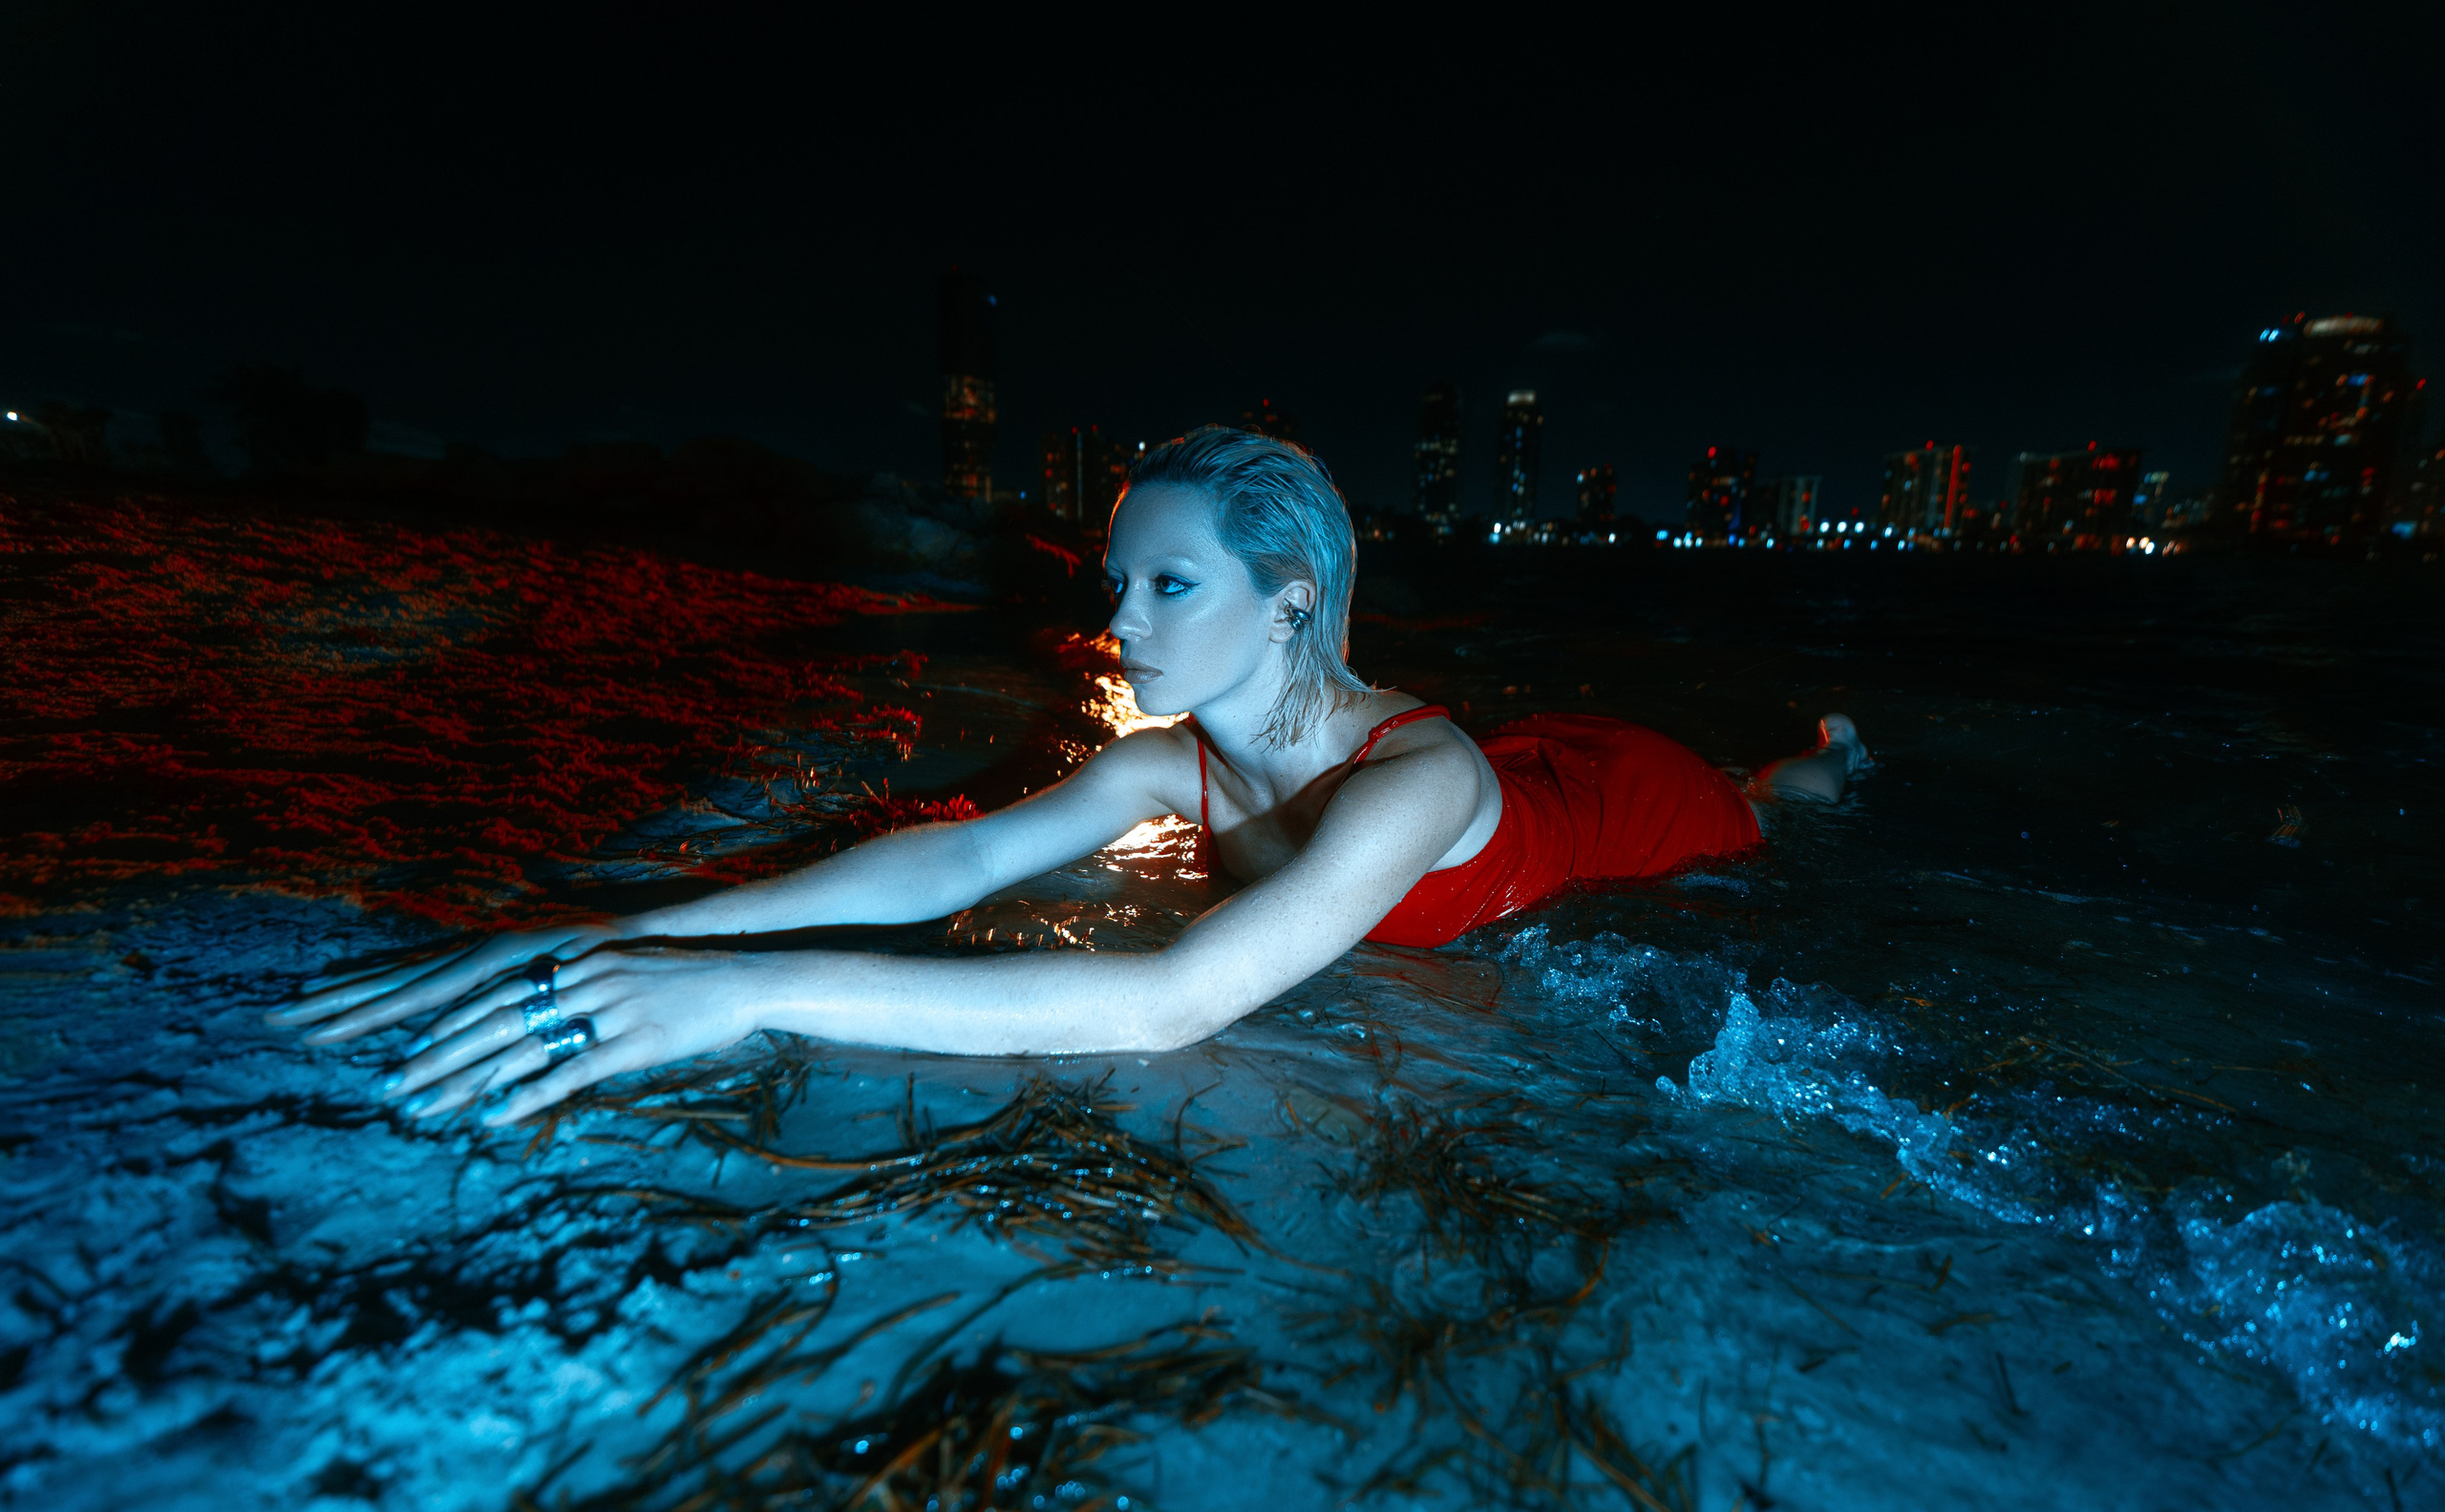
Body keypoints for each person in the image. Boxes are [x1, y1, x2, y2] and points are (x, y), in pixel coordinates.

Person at [271, 427, 1869, 1125]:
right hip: (1512, 767)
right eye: (1119, 583)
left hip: (1612, 805)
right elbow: (954, 862)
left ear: (1288, 601)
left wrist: (753, 996)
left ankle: (1813, 762)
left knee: (1758, 809)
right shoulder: (1171, 759)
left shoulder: (1412, 785)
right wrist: (652, 932)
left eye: (1169, 588)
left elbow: (1165, 1004)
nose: (1118, 621)